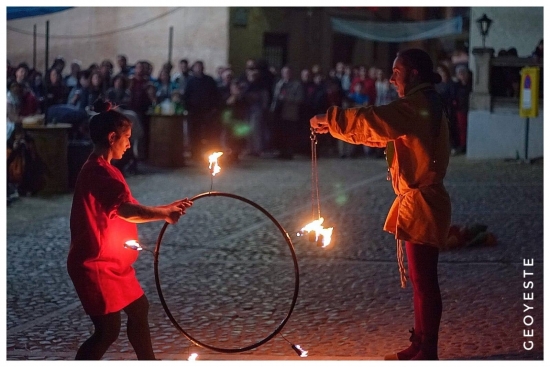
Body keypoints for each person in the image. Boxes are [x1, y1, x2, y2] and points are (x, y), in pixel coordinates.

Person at [310, 48, 451, 360]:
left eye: (397, 72)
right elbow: (378, 134)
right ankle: (420, 342)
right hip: (419, 202)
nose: (391, 79)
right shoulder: (419, 104)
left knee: (424, 281)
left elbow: (374, 120)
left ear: (413, 73)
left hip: (423, 203)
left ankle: (428, 350)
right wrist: (333, 128)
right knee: (419, 281)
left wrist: (331, 118)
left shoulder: (416, 105)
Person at [67, 98, 193, 360]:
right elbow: (127, 211)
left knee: (138, 308)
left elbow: (130, 207)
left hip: (112, 264)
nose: (128, 143)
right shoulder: (98, 172)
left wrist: (165, 208)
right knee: (107, 330)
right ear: (112, 137)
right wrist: (164, 214)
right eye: (126, 137)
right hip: (95, 264)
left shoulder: (107, 169)